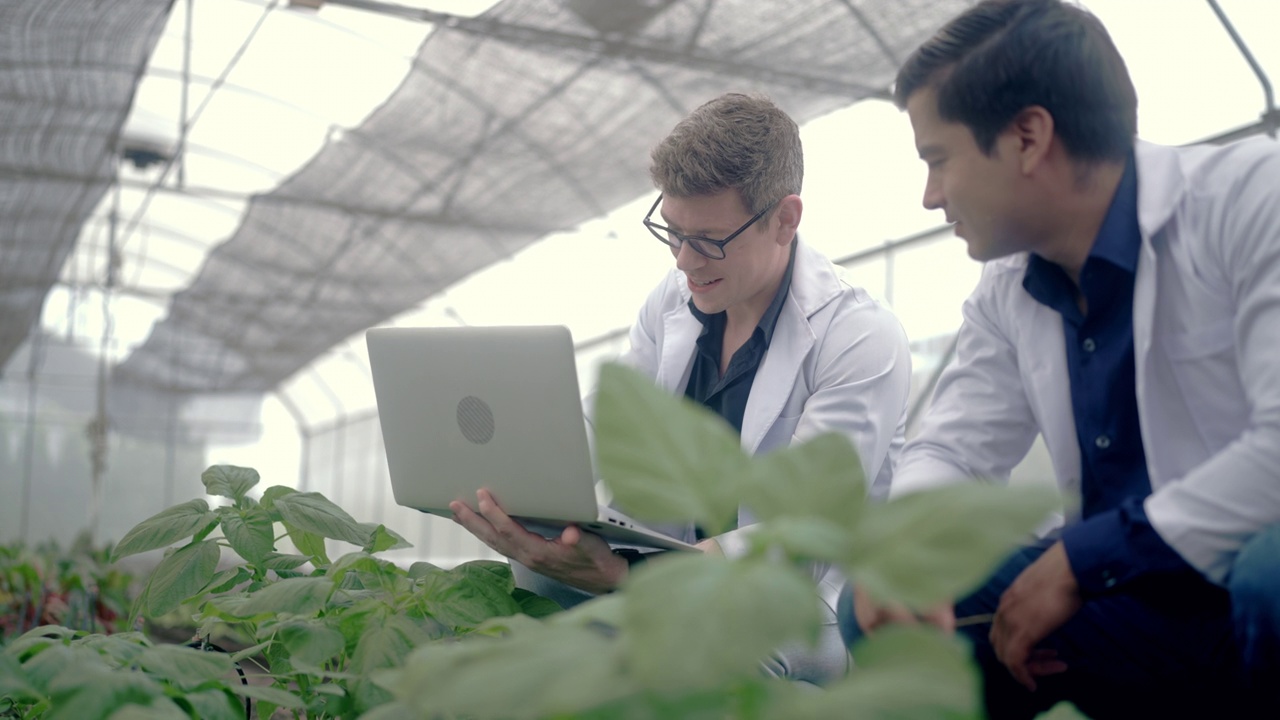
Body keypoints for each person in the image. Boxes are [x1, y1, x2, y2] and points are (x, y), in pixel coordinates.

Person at [836, 0, 1280, 717]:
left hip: (1237, 586)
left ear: (1027, 137)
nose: (930, 196)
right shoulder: (1009, 285)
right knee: (883, 609)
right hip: (1132, 599)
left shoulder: (1252, 197)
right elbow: (953, 446)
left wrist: (1081, 559)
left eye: (938, 159)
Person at [450, 92, 913, 684]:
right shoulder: (677, 301)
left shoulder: (858, 337)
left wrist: (631, 579)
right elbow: (608, 427)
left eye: (710, 239)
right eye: (672, 232)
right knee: (532, 591)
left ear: (785, 218)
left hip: (806, 598)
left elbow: (802, 537)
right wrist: (522, 489)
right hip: (673, 567)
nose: (684, 262)